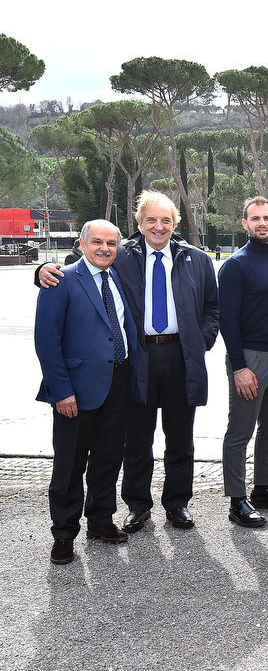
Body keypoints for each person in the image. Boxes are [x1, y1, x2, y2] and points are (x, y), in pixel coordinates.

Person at [37, 191, 219, 533]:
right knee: (136, 438)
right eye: (151, 219)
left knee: (181, 436)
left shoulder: (198, 259)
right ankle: (138, 504)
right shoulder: (122, 255)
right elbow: (83, 264)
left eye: (166, 220)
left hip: (182, 356)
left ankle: (177, 503)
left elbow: (213, 308)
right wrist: (44, 270)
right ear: (138, 223)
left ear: (176, 223)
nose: (158, 226)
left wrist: (201, 339)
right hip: (139, 358)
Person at [34, 220, 138, 564]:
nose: (105, 248)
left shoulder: (118, 275)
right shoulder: (60, 280)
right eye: (97, 242)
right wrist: (61, 391)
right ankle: (63, 533)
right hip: (75, 391)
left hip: (118, 383)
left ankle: (100, 520)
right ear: (82, 243)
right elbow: (47, 341)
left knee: (109, 458)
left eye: (111, 243)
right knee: (69, 463)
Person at [219, 196, 268, 528]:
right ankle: (237, 500)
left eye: (267, 217)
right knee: (240, 431)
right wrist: (239, 367)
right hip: (251, 358)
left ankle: (262, 489)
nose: (262, 223)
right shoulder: (236, 265)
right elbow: (227, 321)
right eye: (255, 218)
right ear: (245, 224)